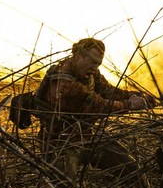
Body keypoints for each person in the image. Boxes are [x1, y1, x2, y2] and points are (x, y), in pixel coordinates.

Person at [33, 38, 153, 179]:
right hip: (60, 146)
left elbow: (109, 91)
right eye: (93, 62)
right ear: (78, 57)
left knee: (130, 168)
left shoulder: (90, 73)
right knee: (66, 187)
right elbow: (97, 105)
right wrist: (130, 105)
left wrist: (138, 97)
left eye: (98, 63)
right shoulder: (63, 82)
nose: (95, 68)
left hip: (86, 139)